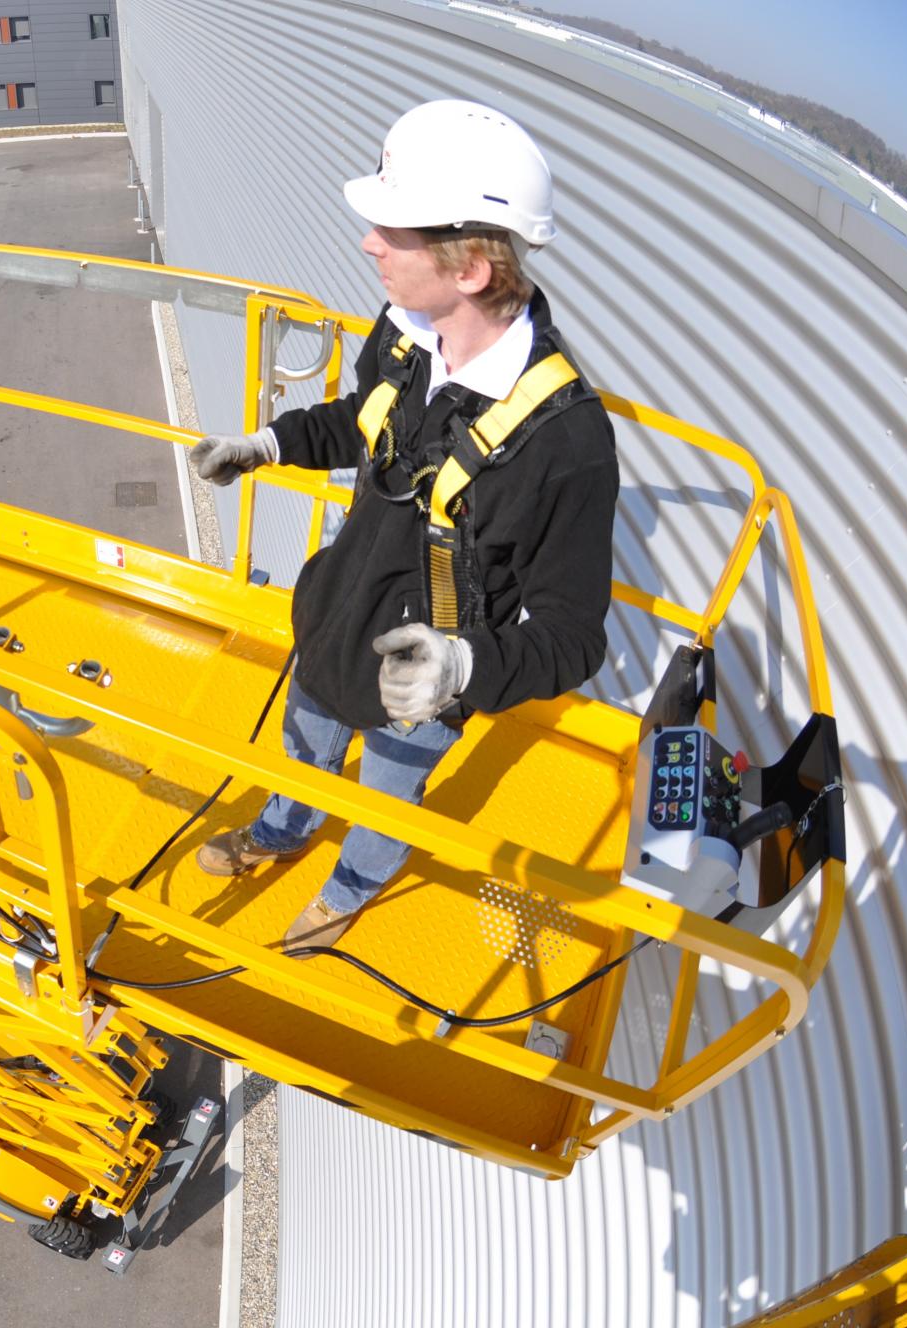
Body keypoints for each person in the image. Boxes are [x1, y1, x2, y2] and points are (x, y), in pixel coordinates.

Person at [188, 100, 619, 951]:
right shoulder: (403, 334)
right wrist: (272, 443)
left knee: (386, 798)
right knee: (306, 748)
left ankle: (347, 890)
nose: (368, 244)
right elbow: (367, 419)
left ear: (468, 270)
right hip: (338, 613)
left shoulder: (566, 440)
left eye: (393, 229)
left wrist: (462, 667)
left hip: (421, 676)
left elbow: (574, 638)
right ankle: (281, 831)